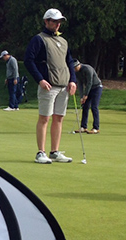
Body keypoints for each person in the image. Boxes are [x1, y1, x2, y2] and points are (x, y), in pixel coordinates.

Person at [24, 8, 77, 164]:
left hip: (63, 86)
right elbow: (28, 60)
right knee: (44, 118)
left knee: (59, 118)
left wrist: (72, 80)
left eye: (59, 21)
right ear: (46, 21)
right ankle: (41, 152)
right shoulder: (39, 39)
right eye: (54, 21)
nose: (57, 24)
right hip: (48, 85)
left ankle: (54, 151)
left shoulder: (63, 41)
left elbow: (70, 62)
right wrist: (40, 79)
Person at [73, 60, 102, 134]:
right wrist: (82, 96)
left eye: (75, 67)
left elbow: (90, 82)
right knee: (85, 106)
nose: (74, 69)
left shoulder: (87, 69)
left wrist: (85, 95)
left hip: (97, 88)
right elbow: (80, 84)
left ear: (79, 65)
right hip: (89, 89)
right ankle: (83, 127)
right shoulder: (77, 72)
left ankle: (96, 128)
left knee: (94, 107)